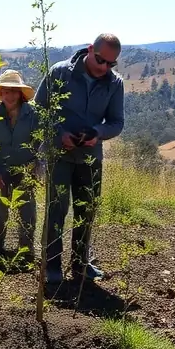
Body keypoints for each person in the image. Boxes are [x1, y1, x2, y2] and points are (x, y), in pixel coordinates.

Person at [35, 33, 125, 286]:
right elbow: (39, 109)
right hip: (59, 155)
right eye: (100, 60)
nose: (104, 67)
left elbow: (117, 122)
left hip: (90, 158)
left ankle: (80, 264)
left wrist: (97, 133)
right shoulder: (60, 72)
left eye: (111, 64)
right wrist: (58, 134)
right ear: (89, 50)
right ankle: (51, 266)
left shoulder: (114, 84)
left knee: (86, 212)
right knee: (56, 211)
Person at [0, 69, 40, 268]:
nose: (10, 95)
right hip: (1, 171)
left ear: (20, 94)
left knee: (27, 213)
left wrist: (36, 169)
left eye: (14, 91)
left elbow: (41, 144)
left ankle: (26, 252)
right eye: (6, 91)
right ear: (1, 93)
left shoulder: (33, 115)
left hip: (26, 171)